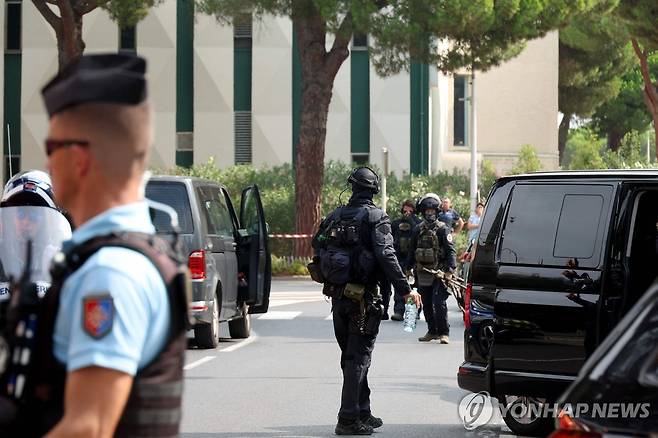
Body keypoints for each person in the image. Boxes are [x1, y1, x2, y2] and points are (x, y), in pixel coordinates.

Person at [4, 53, 189, 437]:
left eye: (51, 147)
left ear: (79, 158)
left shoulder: (110, 273)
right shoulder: (114, 257)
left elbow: (88, 427)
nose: (46, 161)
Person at [312, 167, 421, 436]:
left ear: (351, 187)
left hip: (337, 296)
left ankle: (362, 410)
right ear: (373, 190)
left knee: (350, 356)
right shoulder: (376, 217)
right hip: (364, 298)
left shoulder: (335, 216)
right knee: (358, 358)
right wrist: (406, 290)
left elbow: (318, 244)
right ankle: (348, 419)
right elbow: (387, 255)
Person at [407, 193, 456, 344]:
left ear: (437, 212)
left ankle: (444, 332)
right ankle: (432, 331)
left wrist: (449, 270)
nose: (429, 214)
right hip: (422, 273)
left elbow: (451, 251)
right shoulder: (417, 230)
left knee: (438, 302)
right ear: (423, 212)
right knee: (426, 303)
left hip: (439, 273)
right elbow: (411, 250)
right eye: (427, 211)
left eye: (432, 211)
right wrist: (407, 268)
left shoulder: (443, 230)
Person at [380, 199, 421, 321]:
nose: (407, 212)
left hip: (413, 261)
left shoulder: (418, 224)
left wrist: (411, 222)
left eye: (410, 209)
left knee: (414, 287)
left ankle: (414, 311)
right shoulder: (396, 223)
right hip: (398, 259)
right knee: (400, 286)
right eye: (405, 209)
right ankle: (398, 310)